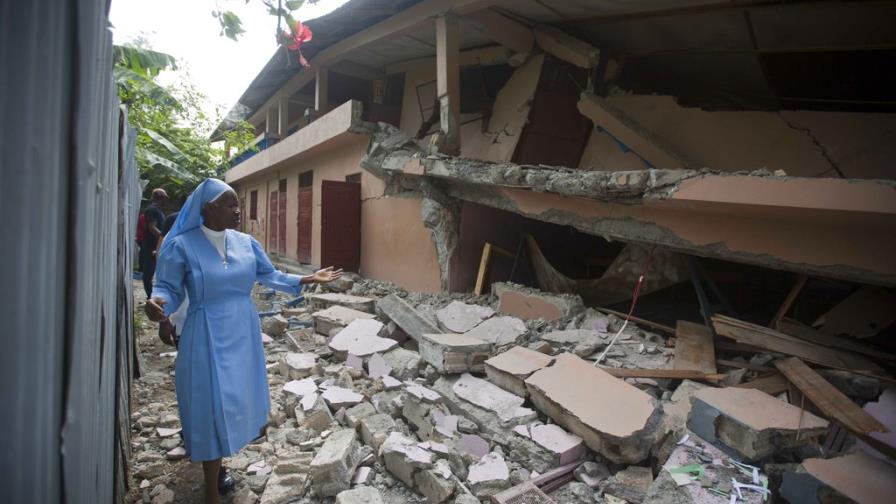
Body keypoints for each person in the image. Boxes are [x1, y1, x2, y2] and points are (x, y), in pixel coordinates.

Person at [144, 179, 342, 504]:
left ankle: (223, 465)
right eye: (230, 204)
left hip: (242, 332)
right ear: (207, 208)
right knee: (209, 404)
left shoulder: (246, 243)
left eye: (238, 204)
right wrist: (157, 307)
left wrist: (306, 277)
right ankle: (210, 491)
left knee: (235, 400)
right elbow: (167, 288)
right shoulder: (182, 245)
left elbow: (270, 274)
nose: (238, 211)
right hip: (205, 332)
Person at [140, 188, 168, 297]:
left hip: (156, 246)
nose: (167, 200)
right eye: (165, 197)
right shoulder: (152, 210)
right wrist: (164, 239)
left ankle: (154, 295)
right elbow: (152, 228)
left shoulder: (158, 210)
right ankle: (150, 296)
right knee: (149, 273)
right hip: (151, 246)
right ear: (160, 197)